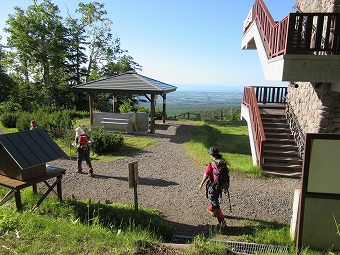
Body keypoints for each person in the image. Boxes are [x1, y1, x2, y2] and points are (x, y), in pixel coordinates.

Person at [199, 146, 227, 227]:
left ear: (211, 155)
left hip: (214, 185)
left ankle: (222, 222)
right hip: (222, 185)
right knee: (215, 197)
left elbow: (206, 175)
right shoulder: (223, 162)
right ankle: (210, 209)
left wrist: (201, 184)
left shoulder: (211, 164)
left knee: (214, 201)